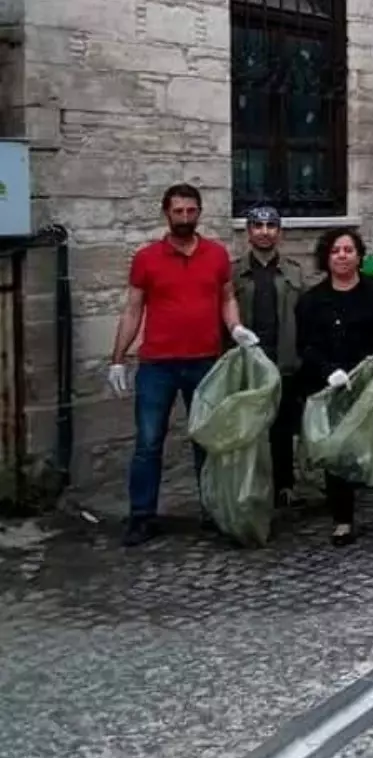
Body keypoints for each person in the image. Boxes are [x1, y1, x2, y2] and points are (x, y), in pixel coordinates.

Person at [109, 184, 259, 547]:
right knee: (148, 443)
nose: (185, 218)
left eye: (191, 211)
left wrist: (235, 327)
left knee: (206, 443)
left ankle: (212, 511)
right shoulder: (146, 258)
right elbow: (133, 310)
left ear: (199, 212)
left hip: (205, 362)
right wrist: (118, 358)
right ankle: (142, 517)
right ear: (166, 213)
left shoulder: (216, 255)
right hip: (157, 364)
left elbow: (227, 299)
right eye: (179, 212)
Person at [295, 227, 373, 546]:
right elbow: (306, 346)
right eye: (335, 251)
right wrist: (328, 370)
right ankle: (343, 520)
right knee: (339, 454)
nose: (342, 256)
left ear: (359, 256)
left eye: (348, 250)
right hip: (337, 387)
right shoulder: (312, 301)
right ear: (326, 258)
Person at [232, 204, 306, 508]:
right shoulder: (234, 272)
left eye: (271, 226)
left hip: (284, 359)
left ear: (280, 232)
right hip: (249, 362)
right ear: (249, 232)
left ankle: (284, 484)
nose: (265, 232)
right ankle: (252, 484)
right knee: (250, 428)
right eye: (258, 226)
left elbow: (304, 315)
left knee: (283, 427)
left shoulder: (293, 271)